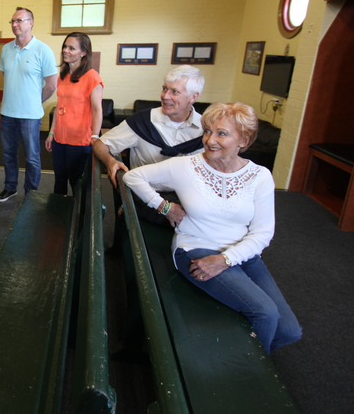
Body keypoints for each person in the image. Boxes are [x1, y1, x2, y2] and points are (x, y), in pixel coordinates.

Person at [123, 103, 302, 353]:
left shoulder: (260, 176)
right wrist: (164, 207)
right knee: (265, 313)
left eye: (222, 133)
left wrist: (226, 259)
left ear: (244, 140)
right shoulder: (186, 166)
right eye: (207, 131)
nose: (210, 140)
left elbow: (263, 233)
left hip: (241, 255)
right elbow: (133, 177)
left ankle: (241, 352)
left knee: (289, 331)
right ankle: (245, 378)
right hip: (196, 250)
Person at [93, 65, 205, 224]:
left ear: (193, 97)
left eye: (175, 92)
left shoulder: (206, 129)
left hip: (186, 198)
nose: (165, 96)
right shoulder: (142, 121)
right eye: (165, 89)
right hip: (144, 198)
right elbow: (100, 144)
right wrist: (110, 161)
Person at [0, 7, 58, 202]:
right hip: (7, 114)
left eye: (19, 20)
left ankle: (31, 193)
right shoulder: (6, 49)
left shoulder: (43, 49)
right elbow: (7, 76)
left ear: (30, 23)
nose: (15, 24)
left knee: (32, 157)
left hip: (30, 116)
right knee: (9, 154)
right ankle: (10, 188)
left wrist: (33, 101)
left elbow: (52, 85)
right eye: (12, 21)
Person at [45, 32, 103, 195]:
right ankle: (58, 215)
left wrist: (95, 136)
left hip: (79, 141)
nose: (66, 50)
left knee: (76, 182)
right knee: (60, 179)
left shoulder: (92, 77)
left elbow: (97, 109)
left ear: (83, 52)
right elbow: (59, 107)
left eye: (72, 48)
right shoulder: (63, 76)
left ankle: (78, 217)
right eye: (65, 46)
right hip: (59, 138)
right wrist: (51, 132)